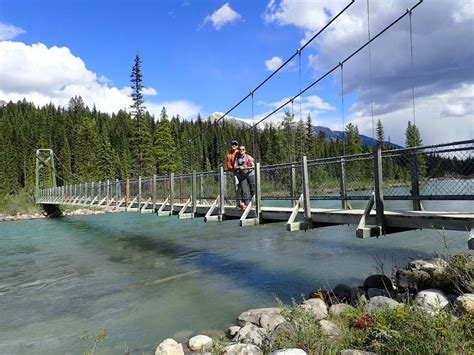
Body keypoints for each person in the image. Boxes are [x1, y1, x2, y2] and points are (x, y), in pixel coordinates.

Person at [226, 139, 240, 207]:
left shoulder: (241, 152)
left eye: (235, 144)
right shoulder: (229, 155)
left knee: (245, 187)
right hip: (236, 173)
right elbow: (228, 166)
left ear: (237, 146)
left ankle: (248, 203)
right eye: (232, 144)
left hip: (243, 173)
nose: (234, 145)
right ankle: (238, 204)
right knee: (237, 188)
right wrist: (235, 168)